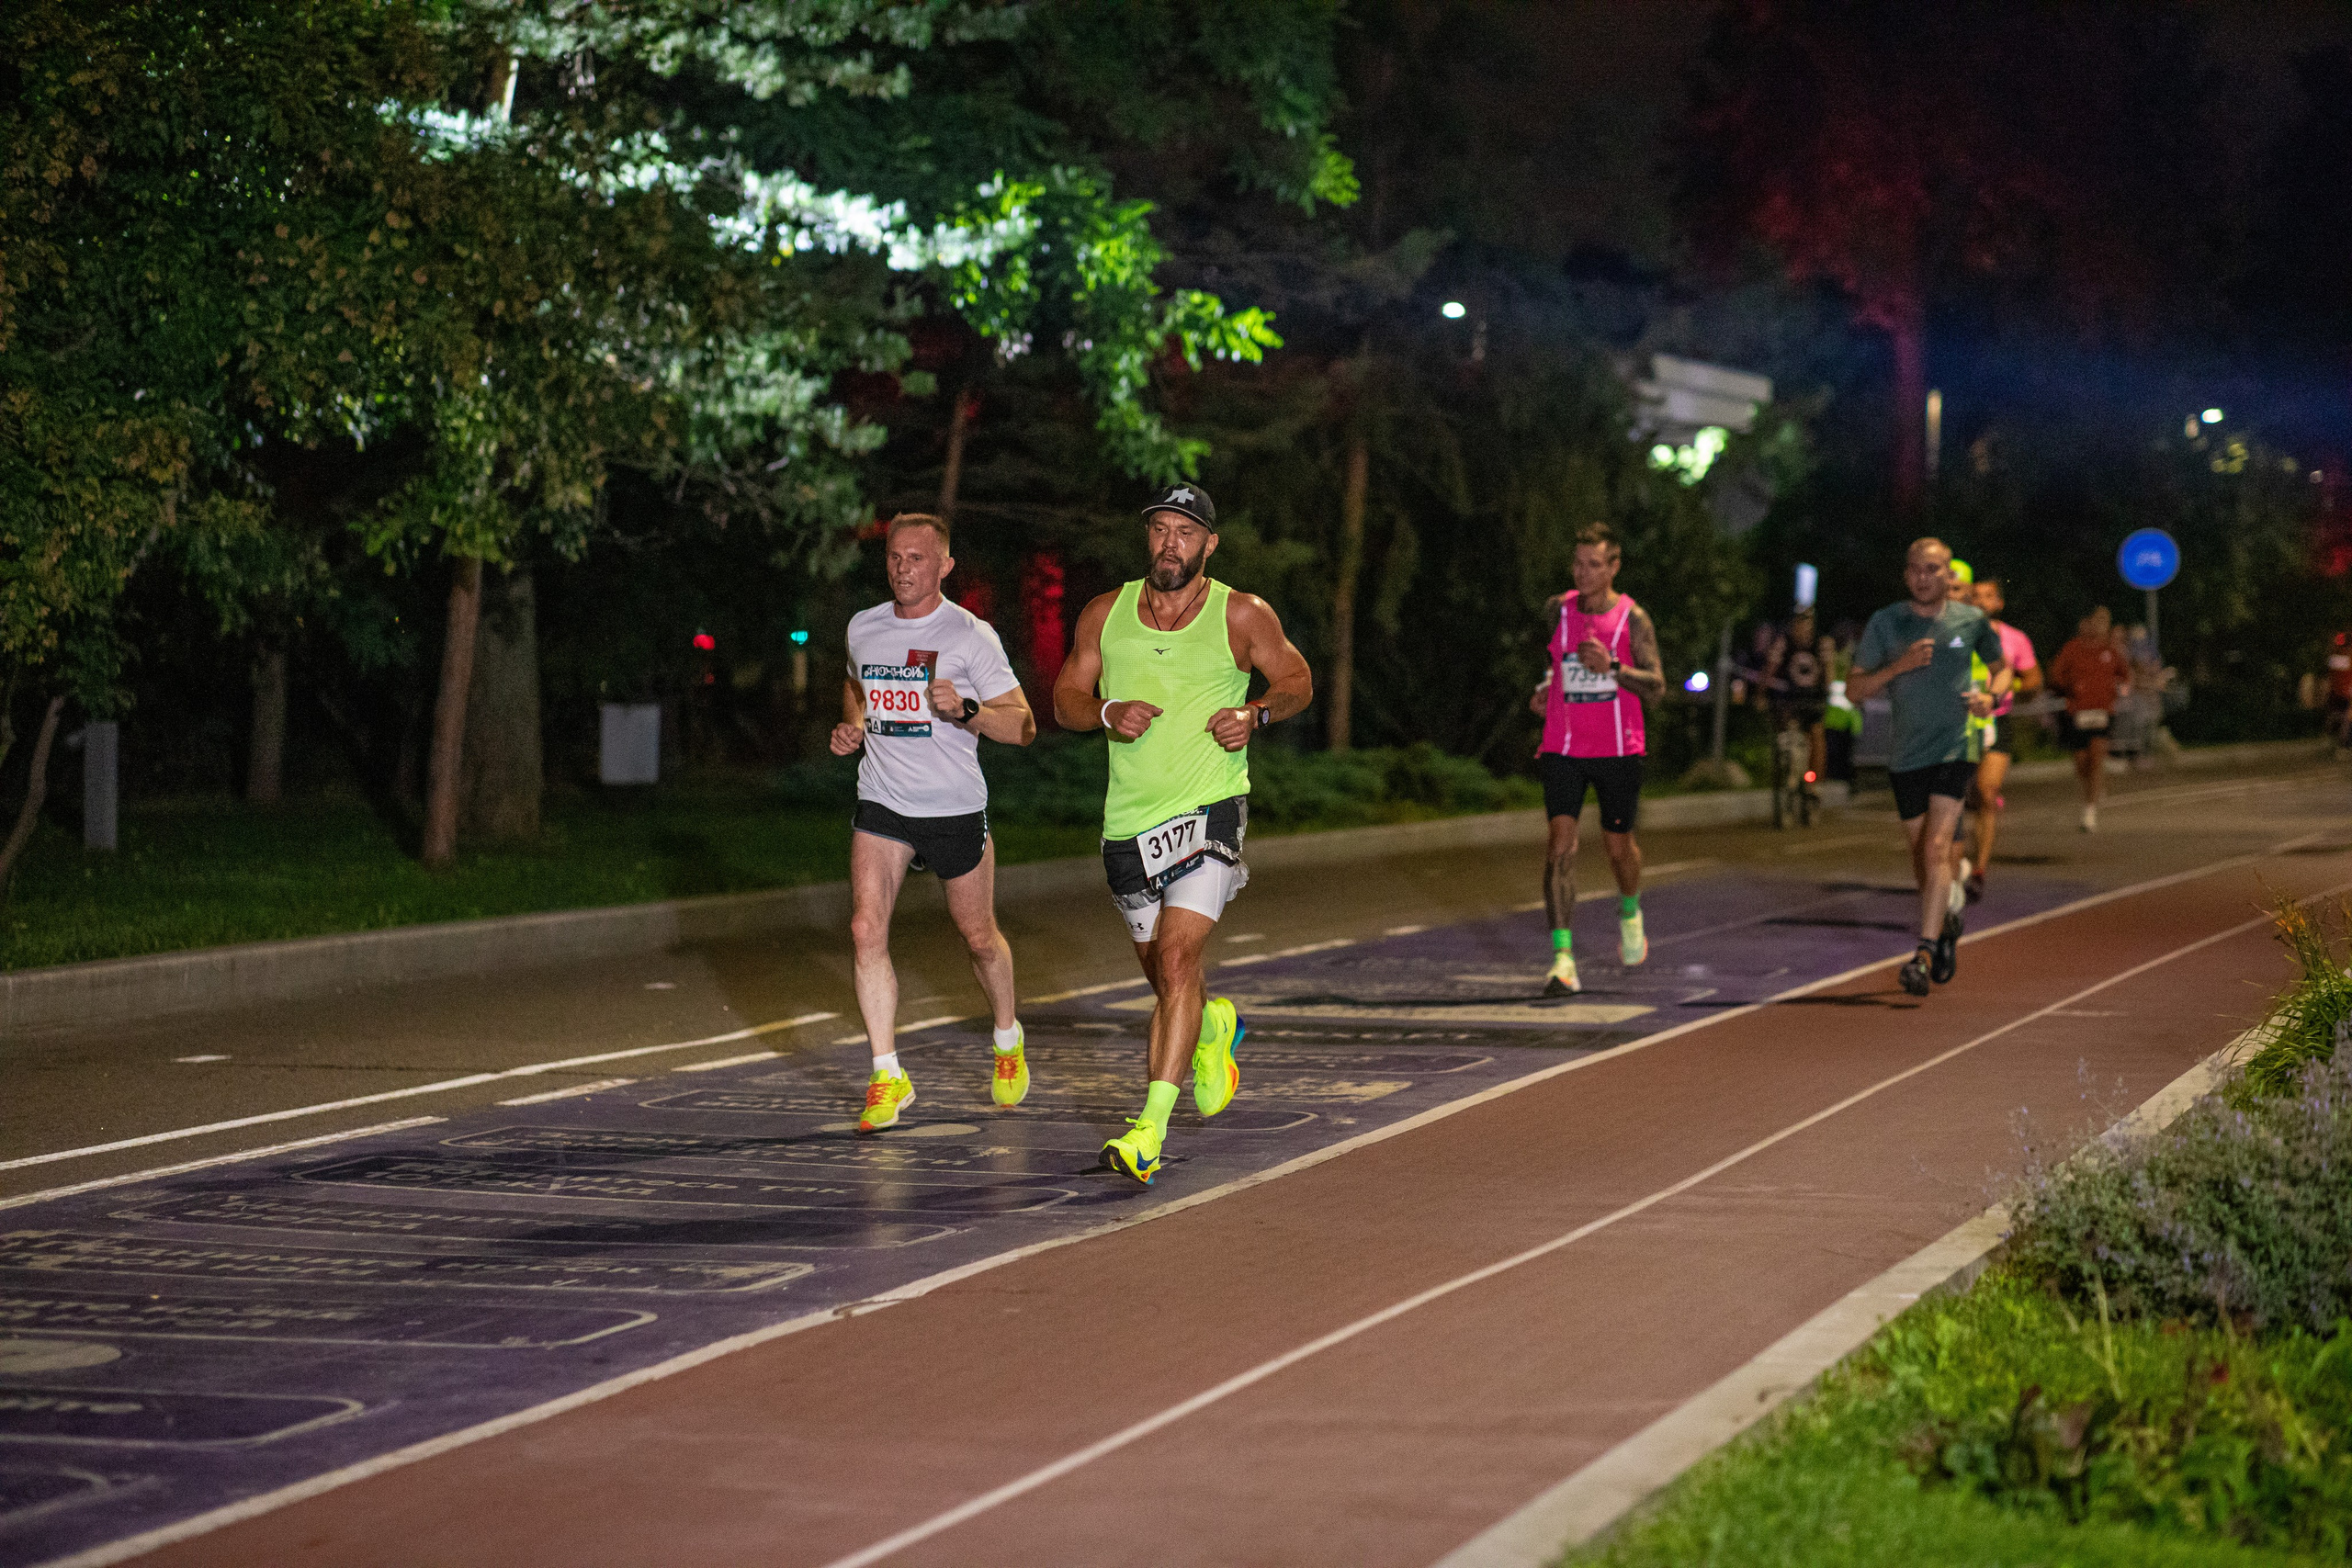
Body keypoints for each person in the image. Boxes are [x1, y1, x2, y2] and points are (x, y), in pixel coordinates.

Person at [1051, 482, 1313, 1185]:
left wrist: (1256, 713)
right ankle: (1213, 1023)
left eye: (1185, 532)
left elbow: (1297, 676)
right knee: (1168, 980)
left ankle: (1148, 1132)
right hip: (1129, 821)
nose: (1171, 543)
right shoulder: (1105, 613)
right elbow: (1065, 698)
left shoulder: (1241, 613)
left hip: (1211, 807)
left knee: (1173, 960)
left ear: (1209, 543)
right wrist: (1106, 711)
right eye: (1161, 530)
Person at [830, 513, 1038, 1133]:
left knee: (978, 938)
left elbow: (1023, 726)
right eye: (895, 556)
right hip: (883, 800)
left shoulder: (972, 636)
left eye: (917, 558)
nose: (902, 568)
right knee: (866, 927)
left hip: (953, 806)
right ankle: (887, 1072)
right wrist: (856, 724)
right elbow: (854, 685)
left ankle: (1007, 1037)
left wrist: (969, 709)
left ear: (945, 565)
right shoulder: (864, 627)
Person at [1846, 538, 2009, 998]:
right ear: (1906, 574)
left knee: (1939, 847)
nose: (1923, 577)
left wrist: (1989, 698)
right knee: (1923, 857)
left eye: (1933, 569)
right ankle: (1945, 923)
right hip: (1906, 755)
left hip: (1957, 746)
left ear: (1947, 575)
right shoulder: (1886, 622)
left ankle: (1922, 952)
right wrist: (1898, 666)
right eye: (1916, 569)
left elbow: (2003, 669)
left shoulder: (1971, 621)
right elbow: (1855, 689)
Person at [1525, 522, 1666, 995]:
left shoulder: (1633, 618)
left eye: (1593, 565)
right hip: (1563, 747)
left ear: (1613, 567)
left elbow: (1658, 687)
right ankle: (1563, 960)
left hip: (1618, 749)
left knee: (1617, 847)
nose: (1582, 573)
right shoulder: (1558, 611)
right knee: (1560, 846)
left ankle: (1630, 908)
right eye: (1577, 564)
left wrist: (1615, 668)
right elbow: (1555, 661)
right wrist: (1546, 690)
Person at [1957, 574, 2041, 901]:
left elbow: (2033, 679)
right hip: (1961, 721)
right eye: (1975, 595)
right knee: (1960, 796)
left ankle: (1979, 869)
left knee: (1986, 792)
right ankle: (1955, 863)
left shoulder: (2014, 639)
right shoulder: (1958, 633)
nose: (1980, 600)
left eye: (1988, 596)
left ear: (1998, 603)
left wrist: (2005, 690)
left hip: (1996, 718)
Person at [2047, 606, 2121, 831]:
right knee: (2082, 761)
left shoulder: (2110, 651)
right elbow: (2056, 676)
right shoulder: (2072, 649)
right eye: (2096, 621)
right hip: (2077, 714)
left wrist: (2119, 689)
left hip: (2102, 714)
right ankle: (2091, 786)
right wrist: (2070, 689)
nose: (2100, 626)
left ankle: (2089, 811)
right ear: (2085, 623)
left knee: (2097, 757)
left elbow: (2125, 674)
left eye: (2104, 622)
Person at [1760, 605, 1831, 793]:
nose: (1802, 626)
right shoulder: (1784, 642)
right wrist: (1761, 693)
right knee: (1782, 733)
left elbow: (1828, 671)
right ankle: (1784, 772)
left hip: (1813, 698)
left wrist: (1827, 692)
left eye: (1806, 621)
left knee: (1816, 735)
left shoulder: (1821, 643)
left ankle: (1813, 784)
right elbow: (1770, 669)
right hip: (1789, 698)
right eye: (1798, 621)